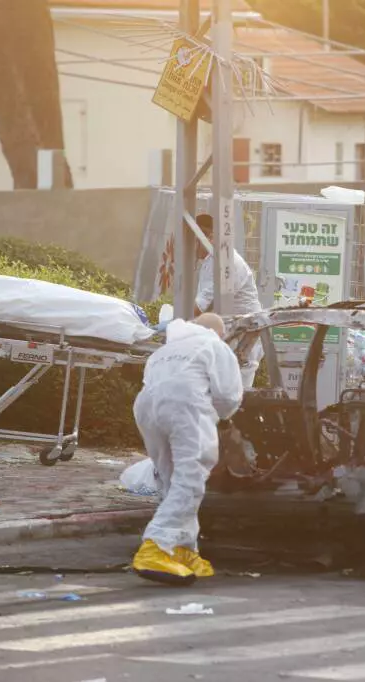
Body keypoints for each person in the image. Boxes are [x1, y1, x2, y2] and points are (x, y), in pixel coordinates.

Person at [131, 312, 244, 585]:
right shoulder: (214, 345)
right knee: (191, 477)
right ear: (219, 333)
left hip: (146, 408)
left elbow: (153, 385)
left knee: (172, 479)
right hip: (185, 405)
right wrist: (221, 417)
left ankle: (182, 550)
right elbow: (228, 396)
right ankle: (156, 546)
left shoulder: (165, 350)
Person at [192, 213, 263, 387]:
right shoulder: (211, 261)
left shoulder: (227, 264)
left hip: (243, 340)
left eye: (194, 241)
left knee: (237, 393)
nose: (191, 247)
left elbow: (199, 308)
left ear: (208, 236)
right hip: (230, 335)